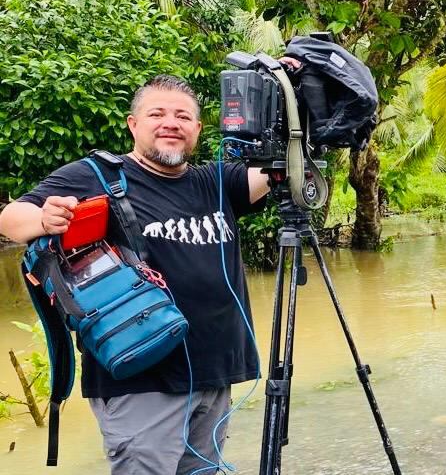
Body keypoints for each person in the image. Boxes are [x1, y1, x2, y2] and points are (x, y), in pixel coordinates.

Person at [0, 75, 271, 474]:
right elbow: (10, 219)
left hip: (215, 373)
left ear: (197, 129)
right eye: (157, 114)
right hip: (141, 380)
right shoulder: (97, 175)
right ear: (133, 124)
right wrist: (44, 217)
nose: (170, 123)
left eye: (183, 116)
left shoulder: (215, 182)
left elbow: (284, 173)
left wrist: (291, 93)